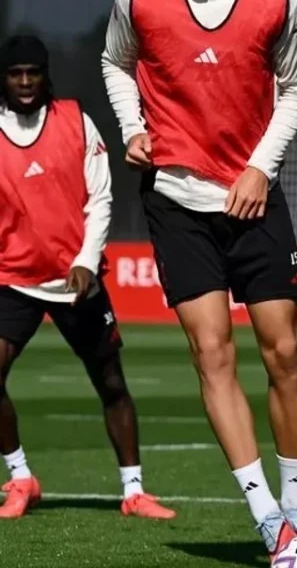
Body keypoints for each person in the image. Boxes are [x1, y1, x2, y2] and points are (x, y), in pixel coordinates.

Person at [100, 0, 297, 558]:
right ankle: (268, 518)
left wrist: (260, 168)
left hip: (254, 196)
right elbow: (114, 62)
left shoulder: (277, 0)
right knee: (212, 354)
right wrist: (132, 126)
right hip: (175, 199)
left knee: (283, 354)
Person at [0, 36, 175, 522]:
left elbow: (100, 198)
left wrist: (85, 259)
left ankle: (134, 491)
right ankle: (20, 477)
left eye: (33, 72)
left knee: (111, 381)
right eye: (15, 73)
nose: (25, 81)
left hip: (76, 279)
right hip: (13, 278)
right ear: (4, 78)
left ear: (45, 75)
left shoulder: (76, 121)